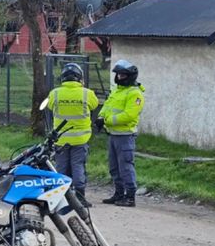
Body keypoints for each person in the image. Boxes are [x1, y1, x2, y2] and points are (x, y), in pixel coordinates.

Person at [47, 63, 99, 207]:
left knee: (61, 167)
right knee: (78, 166)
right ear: (80, 78)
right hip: (80, 139)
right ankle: (80, 197)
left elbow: (50, 106)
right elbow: (94, 105)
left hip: (61, 139)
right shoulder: (87, 93)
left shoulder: (55, 93)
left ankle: (60, 197)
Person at [95, 59, 146, 207]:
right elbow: (107, 105)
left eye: (122, 75)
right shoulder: (117, 90)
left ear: (130, 76)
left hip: (125, 135)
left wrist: (108, 120)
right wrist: (100, 117)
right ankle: (119, 193)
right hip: (113, 134)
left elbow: (129, 115)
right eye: (117, 75)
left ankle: (130, 197)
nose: (119, 78)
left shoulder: (135, 94)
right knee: (114, 167)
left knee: (125, 167)